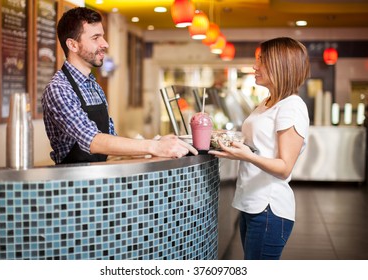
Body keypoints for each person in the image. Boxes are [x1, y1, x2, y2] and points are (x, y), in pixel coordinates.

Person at [42, 7, 197, 164]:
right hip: (74, 183)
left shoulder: (94, 86)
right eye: (96, 38)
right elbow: (93, 141)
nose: (105, 44)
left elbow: (111, 143)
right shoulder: (59, 88)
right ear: (73, 45)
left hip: (100, 179)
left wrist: (157, 143)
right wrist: (154, 147)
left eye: (102, 36)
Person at [209, 37, 310, 259]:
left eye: (262, 61)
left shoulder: (291, 107)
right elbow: (259, 148)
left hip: (269, 209)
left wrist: (246, 155)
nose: (255, 66)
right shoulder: (268, 102)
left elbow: (284, 167)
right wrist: (228, 143)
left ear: (280, 65)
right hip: (252, 204)